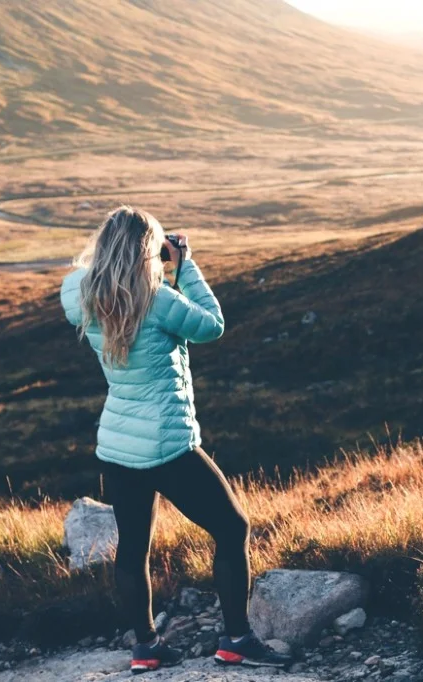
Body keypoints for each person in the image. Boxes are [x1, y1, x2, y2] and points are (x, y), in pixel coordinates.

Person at [61, 206, 292, 673]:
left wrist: (137, 257)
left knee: (133, 548)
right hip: (167, 446)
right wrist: (184, 264)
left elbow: (94, 277)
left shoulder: (79, 293)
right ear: (150, 250)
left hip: (117, 448)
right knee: (232, 528)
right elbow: (211, 324)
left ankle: (145, 648)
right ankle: (237, 640)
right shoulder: (159, 299)